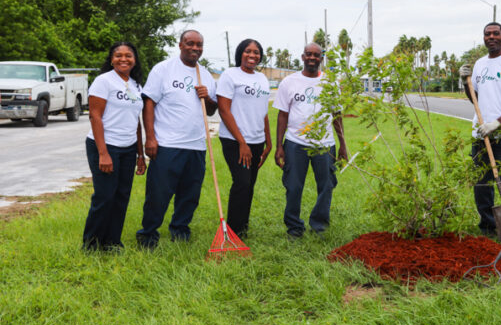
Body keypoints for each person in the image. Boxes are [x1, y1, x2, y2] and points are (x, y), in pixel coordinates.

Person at [136, 30, 217, 249]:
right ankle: (148, 233)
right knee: (158, 193)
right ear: (180, 45)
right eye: (190, 43)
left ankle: (180, 230)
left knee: (190, 194)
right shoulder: (163, 69)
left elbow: (211, 110)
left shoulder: (206, 74)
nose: (195, 48)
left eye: (199, 45)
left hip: (197, 144)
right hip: (167, 144)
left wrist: (207, 97)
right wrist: (150, 138)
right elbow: (149, 103)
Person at [459, 22, 501, 238]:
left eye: (495, 33)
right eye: (487, 34)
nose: (491, 37)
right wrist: (464, 83)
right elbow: (475, 99)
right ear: (484, 38)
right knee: (481, 185)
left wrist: (497, 123)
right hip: (480, 134)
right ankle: (488, 227)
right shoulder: (479, 64)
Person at [273, 43, 348, 238]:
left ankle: (319, 225)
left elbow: (336, 114)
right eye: (309, 54)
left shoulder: (330, 83)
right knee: (293, 186)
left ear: (321, 58)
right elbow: (282, 115)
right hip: (295, 143)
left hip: (324, 144)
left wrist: (342, 145)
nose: (312, 58)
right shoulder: (289, 82)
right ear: (303, 57)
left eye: (316, 55)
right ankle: (294, 227)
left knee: (326, 185)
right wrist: (279, 146)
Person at [83, 42, 146, 251]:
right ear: (111, 59)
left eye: (128, 55)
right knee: (104, 196)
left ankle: (112, 242)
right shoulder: (104, 81)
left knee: (121, 196)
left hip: (128, 148)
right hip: (105, 145)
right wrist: (103, 153)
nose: (123, 59)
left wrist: (139, 153)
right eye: (118, 55)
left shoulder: (136, 84)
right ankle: (91, 245)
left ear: (134, 59)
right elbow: (95, 116)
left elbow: (135, 120)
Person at [217, 39, 272, 238]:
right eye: (248, 51)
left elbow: (263, 112)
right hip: (234, 140)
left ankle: (242, 227)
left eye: (256, 52)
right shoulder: (230, 75)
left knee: (249, 184)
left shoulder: (262, 79)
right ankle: (232, 231)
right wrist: (242, 142)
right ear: (240, 53)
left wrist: (269, 141)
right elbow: (223, 110)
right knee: (241, 182)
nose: (252, 55)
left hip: (257, 140)